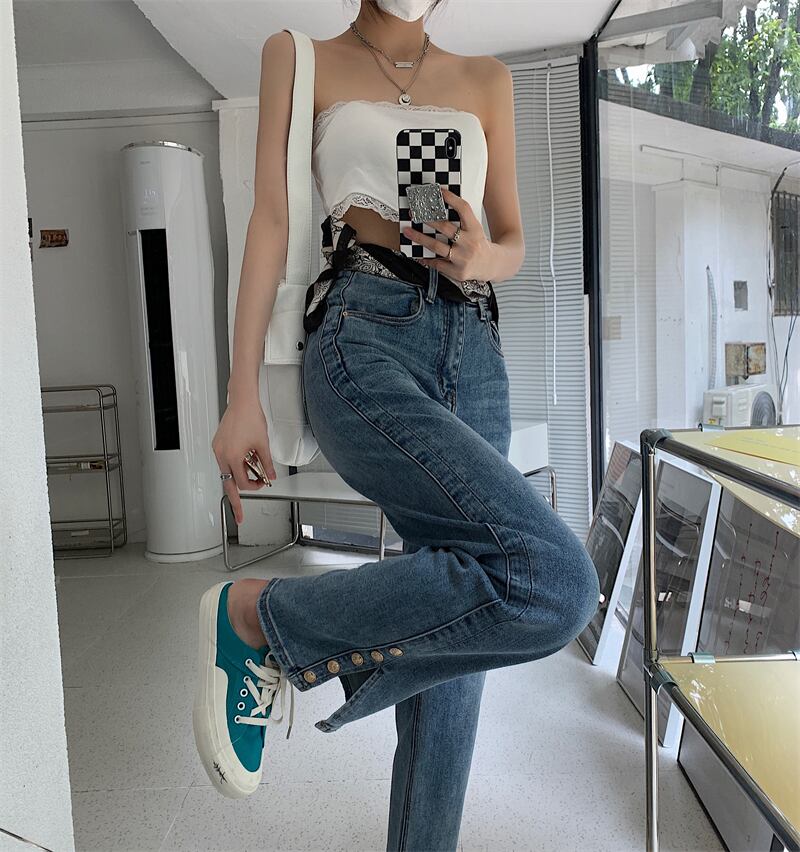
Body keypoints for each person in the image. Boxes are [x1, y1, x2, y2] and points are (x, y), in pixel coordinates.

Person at [192, 1, 601, 849]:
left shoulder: (487, 79)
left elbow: (513, 238)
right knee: (556, 581)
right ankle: (262, 618)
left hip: (475, 346)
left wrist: (486, 256)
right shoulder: (299, 57)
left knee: (456, 640)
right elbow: (271, 221)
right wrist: (240, 396)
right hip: (363, 325)